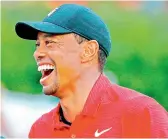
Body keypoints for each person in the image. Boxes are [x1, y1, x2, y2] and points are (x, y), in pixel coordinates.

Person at [15, 4, 168, 138]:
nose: (37, 53)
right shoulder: (41, 130)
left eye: (49, 43)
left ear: (88, 51)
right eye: (37, 45)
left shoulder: (143, 115)